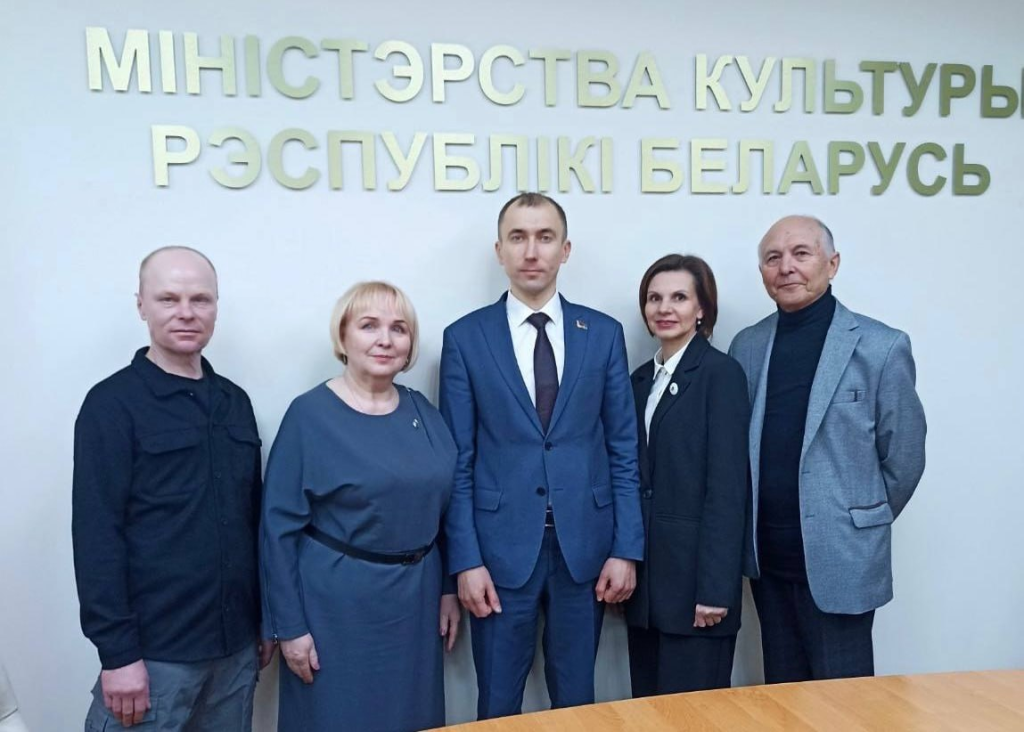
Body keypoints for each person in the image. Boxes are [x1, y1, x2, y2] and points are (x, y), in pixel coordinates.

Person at [440, 192, 644, 719]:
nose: (531, 251)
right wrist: (466, 560)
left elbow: (623, 449)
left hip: (586, 551)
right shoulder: (465, 339)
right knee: (497, 705)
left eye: (545, 237)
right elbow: (458, 461)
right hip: (498, 553)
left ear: (565, 250)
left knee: (577, 704)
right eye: (518, 237)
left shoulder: (603, 334)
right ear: (500, 251)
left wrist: (626, 548)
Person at [73, 246, 269, 731]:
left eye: (200, 299)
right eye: (168, 299)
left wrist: (266, 620)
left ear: (216, 306)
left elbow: (254, 522)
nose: (186, 312)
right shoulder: (111, 405)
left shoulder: (235, 403)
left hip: (236, 651)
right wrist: (118, 655)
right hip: (153, 658)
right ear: (141, 305)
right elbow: (97, 536)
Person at [729, 215, 927, 683]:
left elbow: (904, 457)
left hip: (842, 558)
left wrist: (859, 519)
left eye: (801, 253)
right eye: (773, 258)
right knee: (783, 697)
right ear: (762, 272)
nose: (786, 267)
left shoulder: (881, 346)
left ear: (832, 264)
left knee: (845, 704)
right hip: (767, 562)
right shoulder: (748, 346)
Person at [260, 281, 461, 732]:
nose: (385, 339)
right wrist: (288, 627)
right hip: (335, 609)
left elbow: (444, 511)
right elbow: (277, 529)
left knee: (411, 716)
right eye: (369, 326)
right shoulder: (309, 416)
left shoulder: (424, 412)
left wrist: (448, 588)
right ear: (343, 336)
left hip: (416, 603)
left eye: (399, 329)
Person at [624, 254, 750, 696]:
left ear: (701, 309)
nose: (664, 308)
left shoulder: (721, 374)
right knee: (649, 714)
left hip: (697, 588)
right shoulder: (639, 380)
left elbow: (728, 489)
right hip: (647, 589)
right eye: (654, 298)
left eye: (679, 297)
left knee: (694, 717)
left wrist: (716, 588)